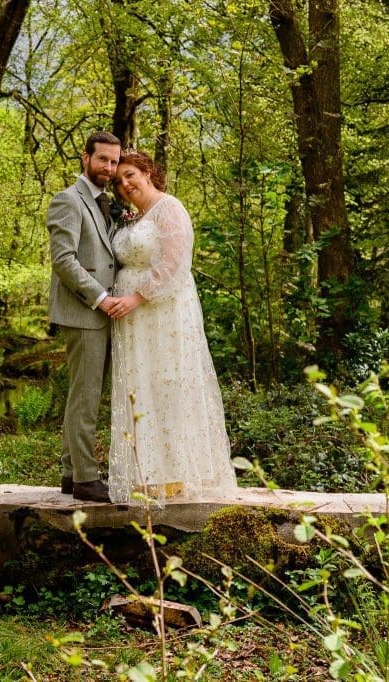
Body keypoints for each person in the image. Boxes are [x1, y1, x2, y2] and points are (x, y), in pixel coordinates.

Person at [105, 150, 238, 505]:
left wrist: (135, 297)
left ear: (148, 172)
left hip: (162, 311)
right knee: (140, 384)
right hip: (131, 320)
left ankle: (175, 475)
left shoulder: (170, 209)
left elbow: (173, 263)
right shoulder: (134, 218)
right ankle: (145, 474)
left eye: (130, 174)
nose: (125, 184)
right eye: (118, 181)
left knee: (167, 382)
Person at [47, 131, 122, 502]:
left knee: (83, 395)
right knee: (86, 398)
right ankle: (86, 479)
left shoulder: (105, 202)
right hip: (84, 312)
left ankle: (69, 471)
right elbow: (63, 260)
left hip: (101, 315)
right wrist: (100, 298)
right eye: (102, 159)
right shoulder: (68, 200)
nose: (109, 167)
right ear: (85, 158)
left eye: (114, 161)